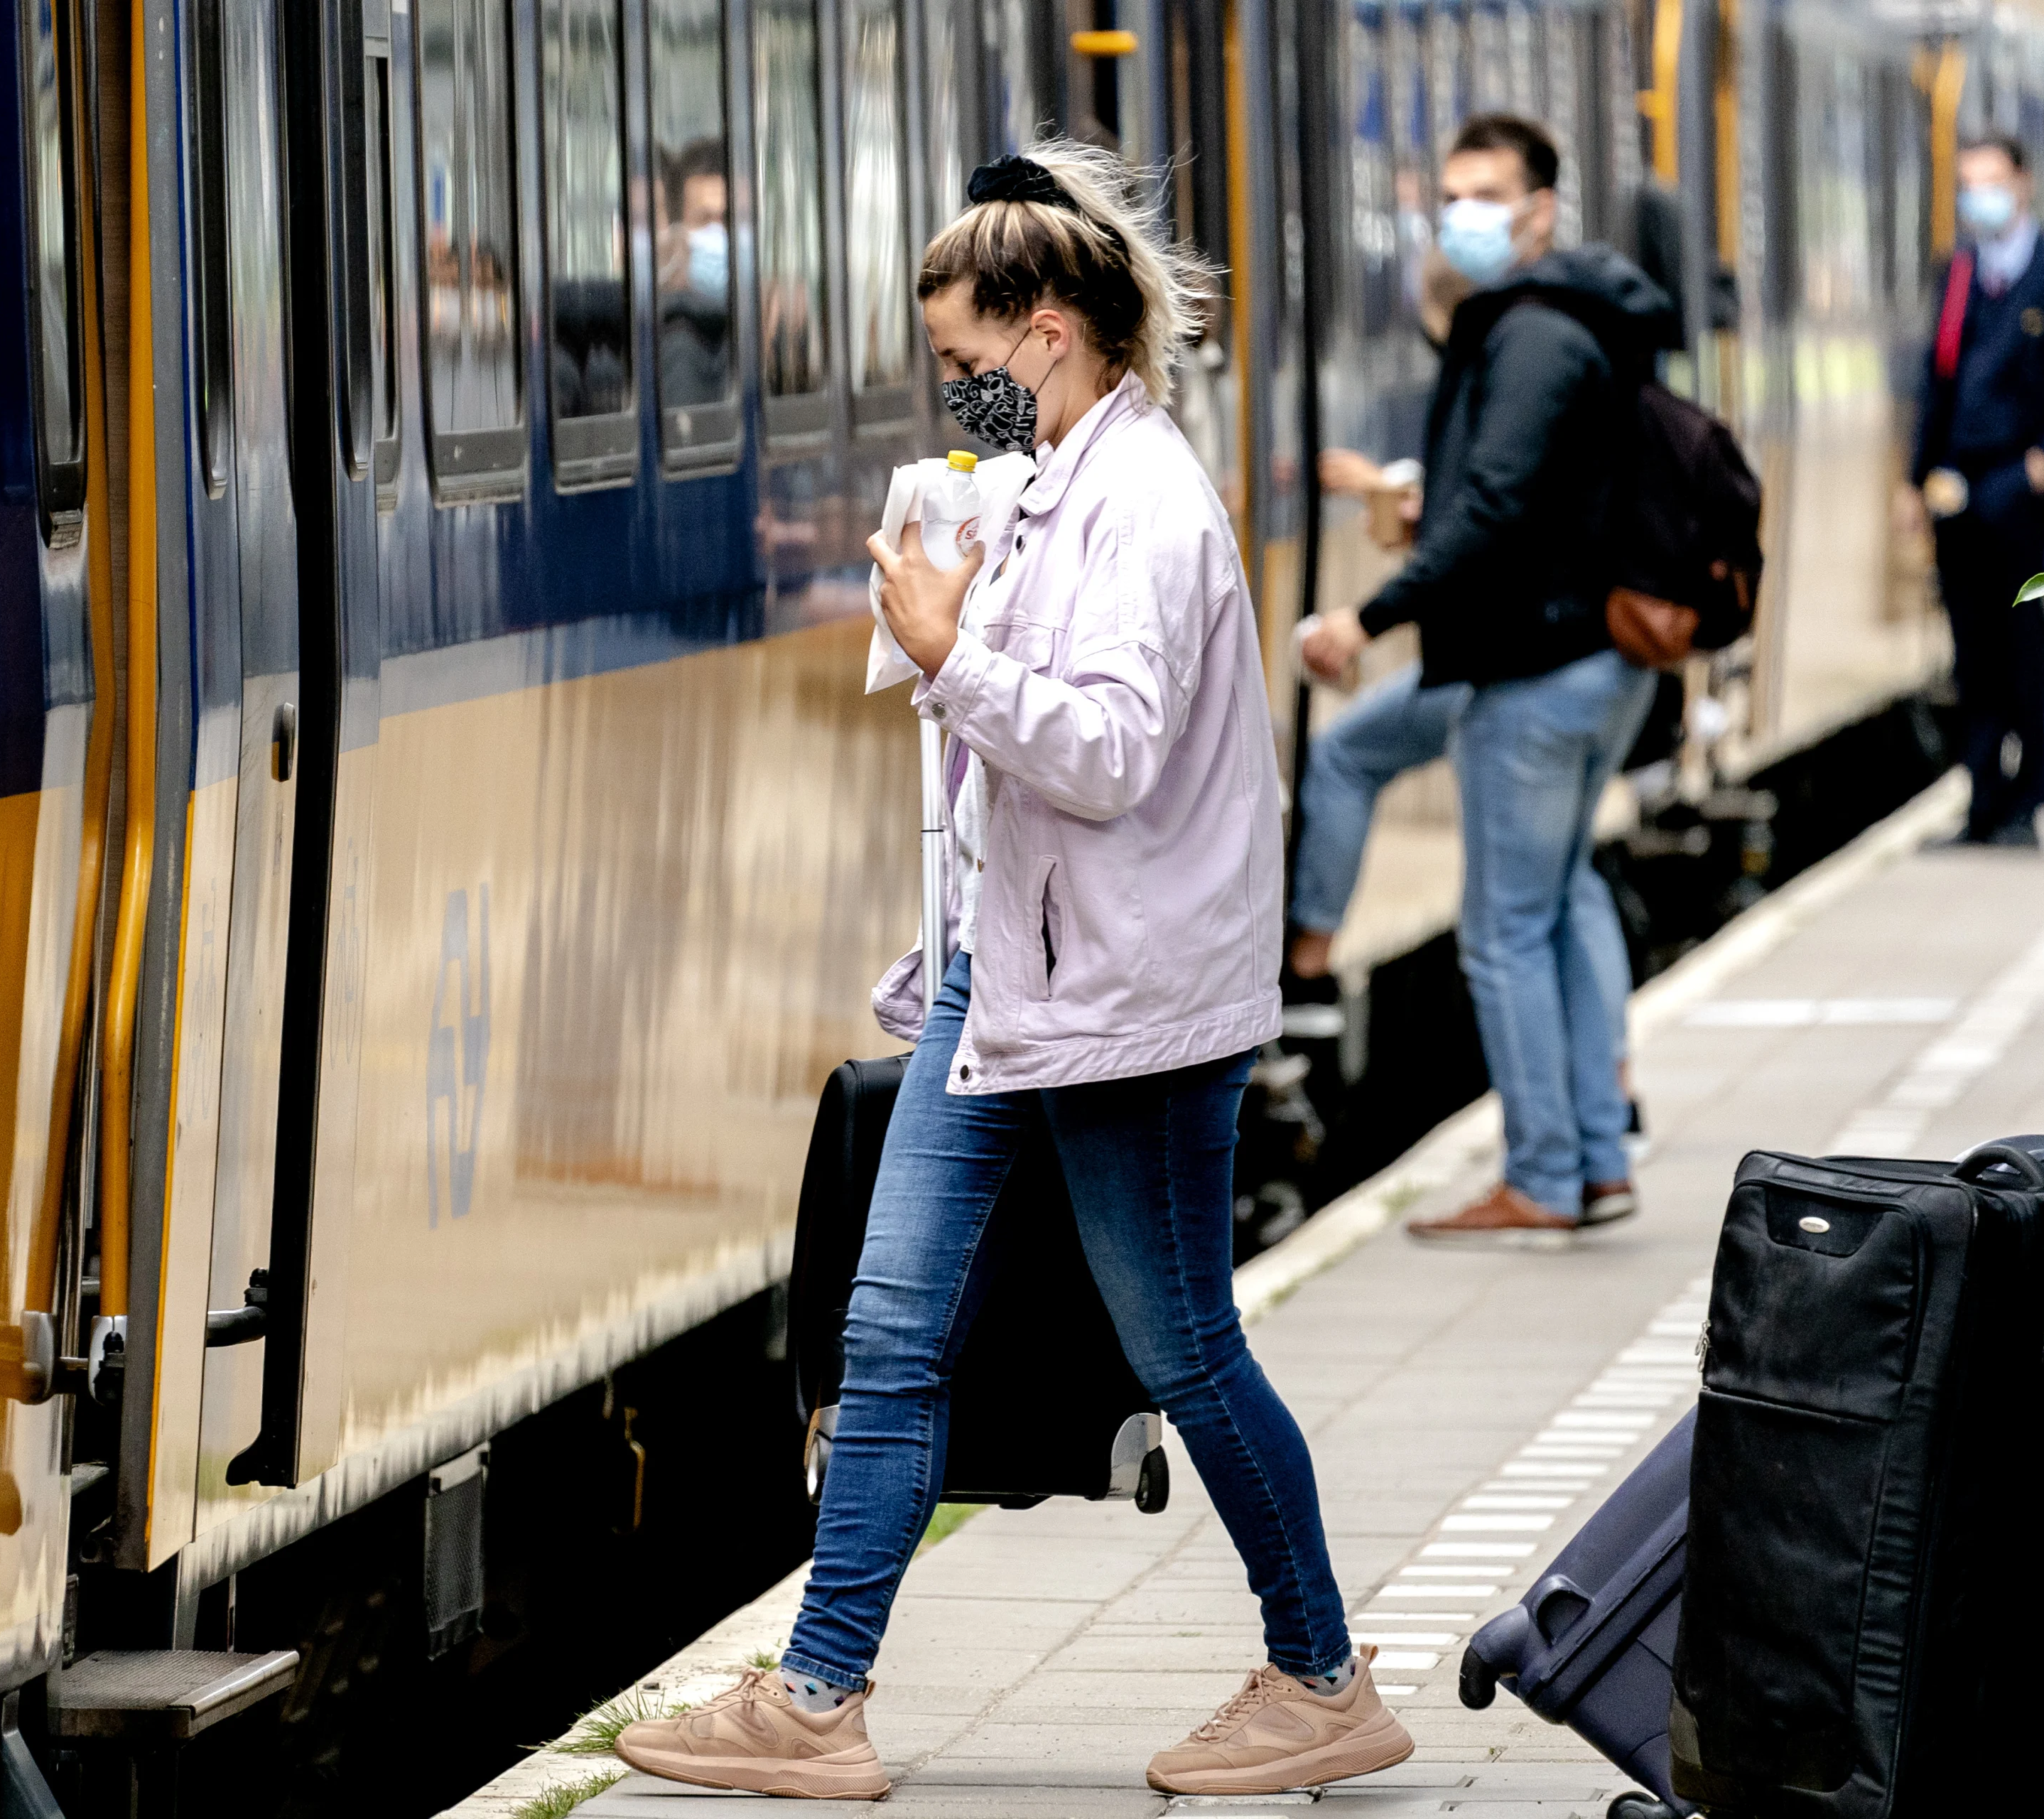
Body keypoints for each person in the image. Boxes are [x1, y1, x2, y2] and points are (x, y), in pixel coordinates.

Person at [613, 141, 1415, 1802]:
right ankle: (816, 1697)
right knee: (888, 1330)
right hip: (1009, 980)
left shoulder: (1146, 506)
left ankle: (1321, 1673)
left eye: (965, 361)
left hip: (1126, 1003)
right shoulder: (1042, 479)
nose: (954, 395)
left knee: (1186, 1347)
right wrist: (943, 592)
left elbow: (1107, 752)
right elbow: (984, 707)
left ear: (1049, 334)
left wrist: (948, 650)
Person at [1308, 114, 1667, 1239]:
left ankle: (1544, 1178)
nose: (1459, 214)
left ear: (1540, 210)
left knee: (1504, 931)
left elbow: (1497, 505)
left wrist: (1368, 618)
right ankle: (1595, 1163)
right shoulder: (1575, 321)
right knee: (1552, 905)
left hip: (1536, 669)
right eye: (1450, 193)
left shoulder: (1533, 334)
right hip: (1587, 660)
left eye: (1485, 194)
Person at [1906, 135, 2044, 846]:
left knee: (2023, 639)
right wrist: (1914, 479)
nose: (1980, 197)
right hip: (1956, 485)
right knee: (1971, 647)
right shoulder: (1959, 271)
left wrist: (2043, 464)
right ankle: (1982, 798)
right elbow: (1935, 379)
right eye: (1970, 184)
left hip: (2020, 484)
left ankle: (2031, 795)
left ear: (2023, 183)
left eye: (1992, 181)